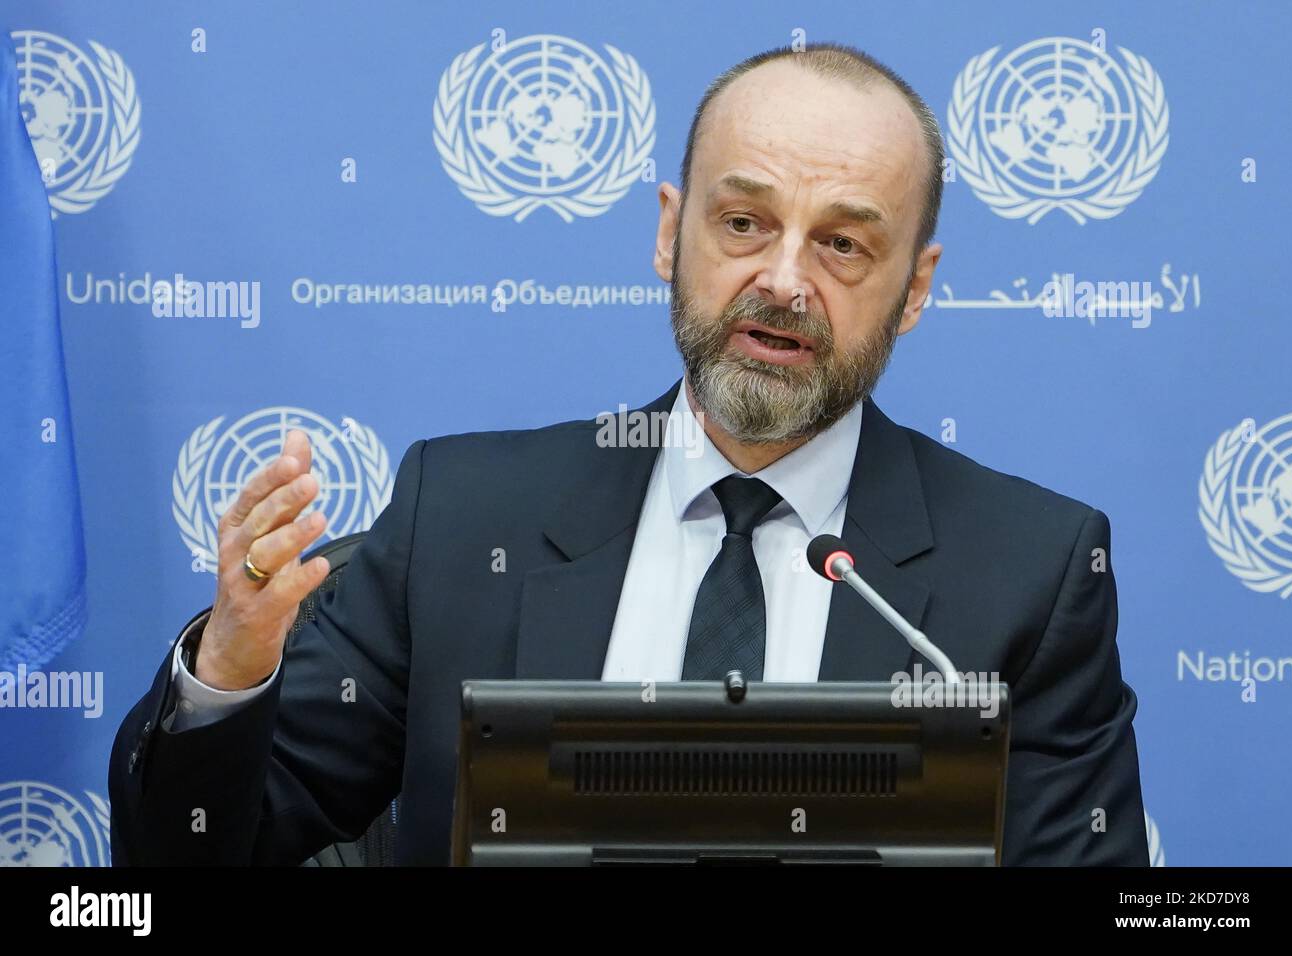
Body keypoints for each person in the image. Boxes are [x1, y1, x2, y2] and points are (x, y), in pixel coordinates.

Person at [110, 43, 1148, 866]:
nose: (782, 280)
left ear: (915, 288)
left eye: (841, 244)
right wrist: (231, 673)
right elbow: (193, 854)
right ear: (669, 234)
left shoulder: (1030, 571)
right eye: (742, 221)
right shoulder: (461, 520)